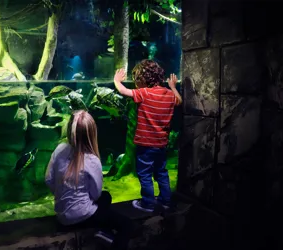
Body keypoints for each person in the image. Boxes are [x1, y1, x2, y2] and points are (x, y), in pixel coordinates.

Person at [45, 110, 133, 249]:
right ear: (92, 133)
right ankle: (105, 233)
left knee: (105, 198)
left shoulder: (59, 149)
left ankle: (103, 231)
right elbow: (95, 194)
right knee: (127, 225)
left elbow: (49, 180)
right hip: (82, 217)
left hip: (61, 216)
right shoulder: (92, 160)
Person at [113, 59, 182, 213]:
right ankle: (166, 201)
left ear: (142, 79)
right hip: (161, 145)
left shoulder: (144, 93)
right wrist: (172, 87)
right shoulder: (170, 95)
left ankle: (148, 203)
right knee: (161, 173)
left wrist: (116, 81)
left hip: (145, 145)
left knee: (144, 174)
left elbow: (124, 91)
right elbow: (179, 100)